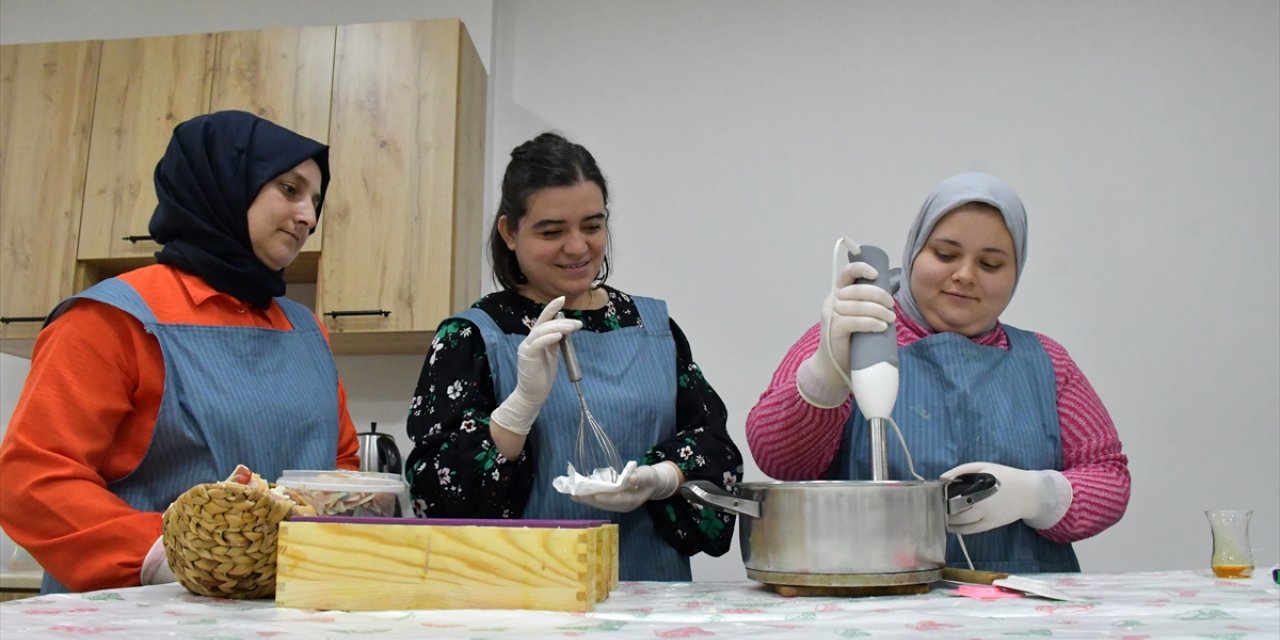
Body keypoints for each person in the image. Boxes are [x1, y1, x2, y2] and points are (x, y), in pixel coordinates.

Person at [0, 111, 360, 593]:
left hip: (284, 612)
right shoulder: (114, 319)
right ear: (224, 183)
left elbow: (340, 469)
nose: (309, 217)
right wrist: (168, 557)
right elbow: (32, 481)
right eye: (290, 190)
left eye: (316, 201)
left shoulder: (307, 330)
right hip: (136, 615)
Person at [745, 172, 1130, 573]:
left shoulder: (1047, 362)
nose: (965, 274)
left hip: (1019, 607)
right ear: (913, 252)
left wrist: (1038, 496)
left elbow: (1109, 478)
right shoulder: (850, 337)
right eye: (945, 255)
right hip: (877, 601)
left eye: (991, 263)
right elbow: (779, 459)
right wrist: (827, 371)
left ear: (1015, 273)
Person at [404, 132, 742, 581]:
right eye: (552, 231)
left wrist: (664, 477)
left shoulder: (652, 328)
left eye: (592, 225)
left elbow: (716, 451)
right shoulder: (471, 338)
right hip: (523, 606)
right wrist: (517, 411)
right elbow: (436, 498)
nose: (578, 247)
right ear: (509, 231)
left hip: (652, 602)